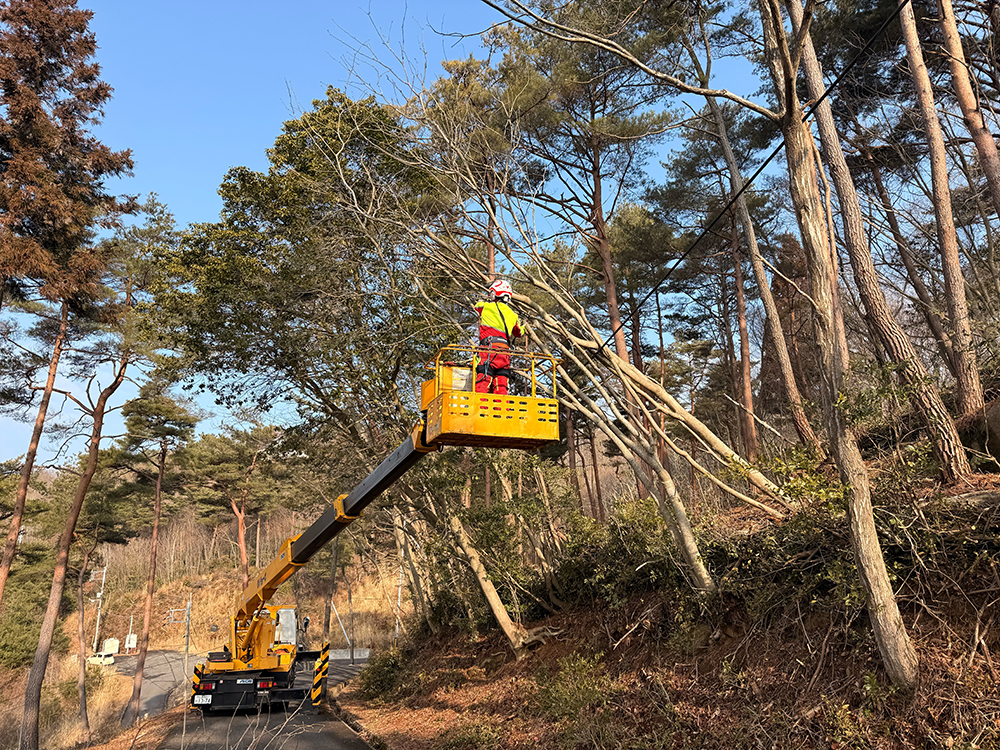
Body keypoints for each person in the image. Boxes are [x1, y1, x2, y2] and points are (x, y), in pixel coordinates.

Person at [474, 279, 522, 395]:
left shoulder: (485, 307)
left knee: (483, 380)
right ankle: (500, 411)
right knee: (501, 383)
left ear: (494, 293)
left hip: (489, 350)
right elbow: (518, 332)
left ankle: (480, 409)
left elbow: (477, 306)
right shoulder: (513, 315)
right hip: (504, 353)